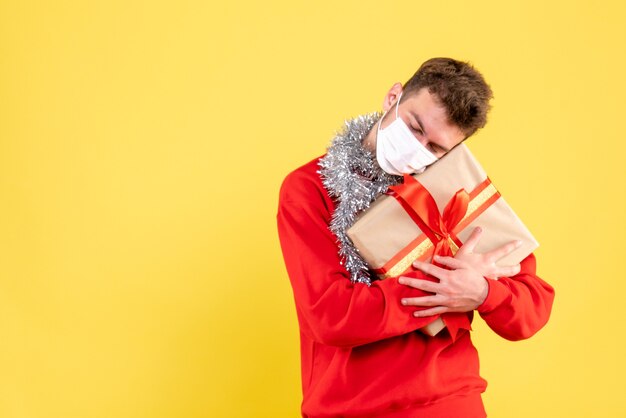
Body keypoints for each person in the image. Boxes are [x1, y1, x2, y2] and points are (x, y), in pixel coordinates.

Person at [276, 58, 555, 418]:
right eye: (413, 126)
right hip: (350, 407)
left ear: (455, 151)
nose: (416, 147)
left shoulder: (461, 192)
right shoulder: (309, 188)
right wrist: (445, 284)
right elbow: (330, 315)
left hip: (452, 403)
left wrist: (484, 292)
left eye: (436, 148)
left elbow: (531, 308)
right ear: (393, 97)